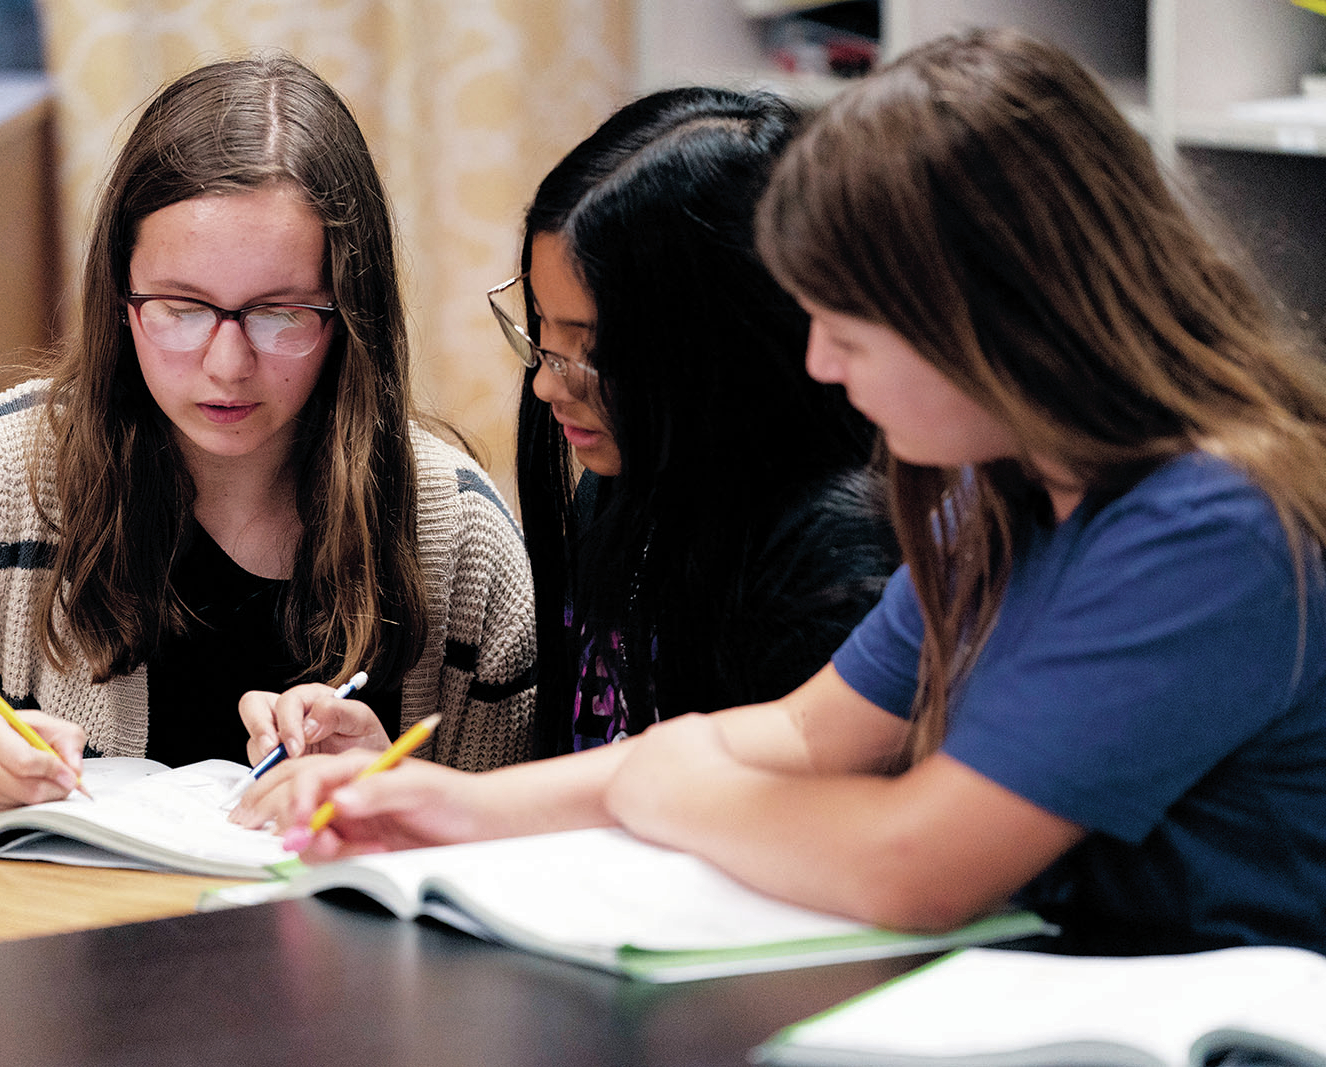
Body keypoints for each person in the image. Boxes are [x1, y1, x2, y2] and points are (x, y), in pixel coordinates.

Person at [250, 29, 1326, 957]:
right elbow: (796, 736)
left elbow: (916, 862)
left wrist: (647, 791)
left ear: (987, 321)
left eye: (850, 330)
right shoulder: (994, 502)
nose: (818, 364)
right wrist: (457, 804)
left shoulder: (1211, 524)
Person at [0, 53, 536, 817]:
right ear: (121, 296)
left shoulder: (453, 526)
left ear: (350, 315)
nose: (226, 365)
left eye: (280, 313)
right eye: (181, 309)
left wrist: (396, 781)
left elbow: (536, 833)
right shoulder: (13, 467)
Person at [232, 88, 896, 833]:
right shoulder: (620, 493)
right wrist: (399, 776)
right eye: (543, 332)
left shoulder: (845, 562)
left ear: (724, 345)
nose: (547, 380)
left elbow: (763, 827)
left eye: (592, 349)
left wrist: (452, 808)